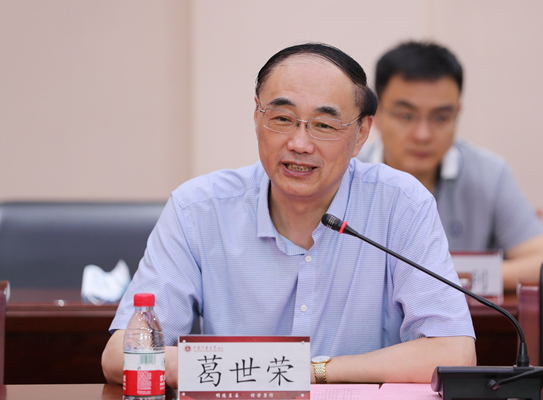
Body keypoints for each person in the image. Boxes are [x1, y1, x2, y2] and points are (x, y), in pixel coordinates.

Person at [102, 43, 476, 388]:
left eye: (324, 125)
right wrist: (274, 372)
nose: (299, 144)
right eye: (282, 119)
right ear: (256, 116)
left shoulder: (401, 204)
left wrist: (307, 371)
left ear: (361, 133)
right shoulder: (198, 209)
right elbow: (122, 354)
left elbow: (453, 354)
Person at [358, 41, 543, 290]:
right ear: (377, 114)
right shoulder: (347, 173)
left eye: (441, 117)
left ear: (457, 113)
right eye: (406, 115)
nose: (423, 134)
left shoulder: (489, 174)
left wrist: (441, 275)